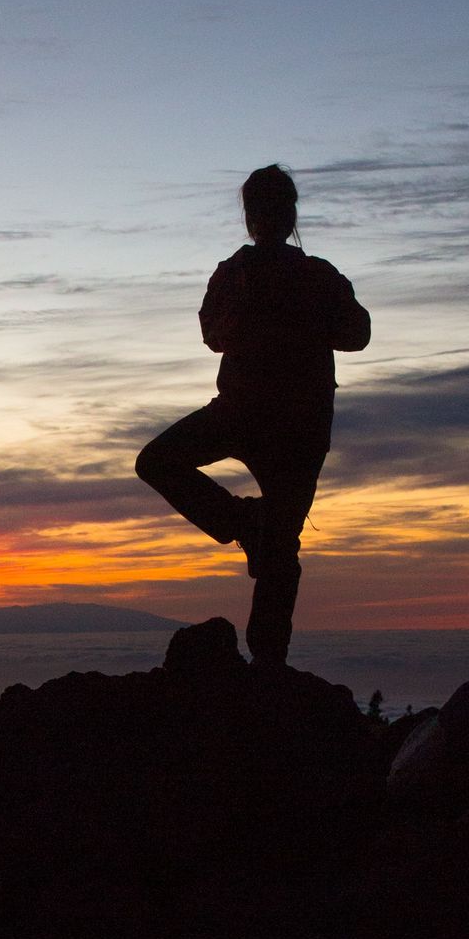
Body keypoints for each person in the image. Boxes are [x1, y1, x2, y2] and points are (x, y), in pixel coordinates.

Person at [135, 164, 370, 665]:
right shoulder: (251, 274)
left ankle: (268, 664)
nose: (264, 217)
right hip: (265, 416)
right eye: (260, 208)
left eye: (268, 208)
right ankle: (247, 525)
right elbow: (216, 334)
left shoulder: (306, 275)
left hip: (279, 421)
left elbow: (355, 333)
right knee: (272, 539)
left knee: (278, 546)